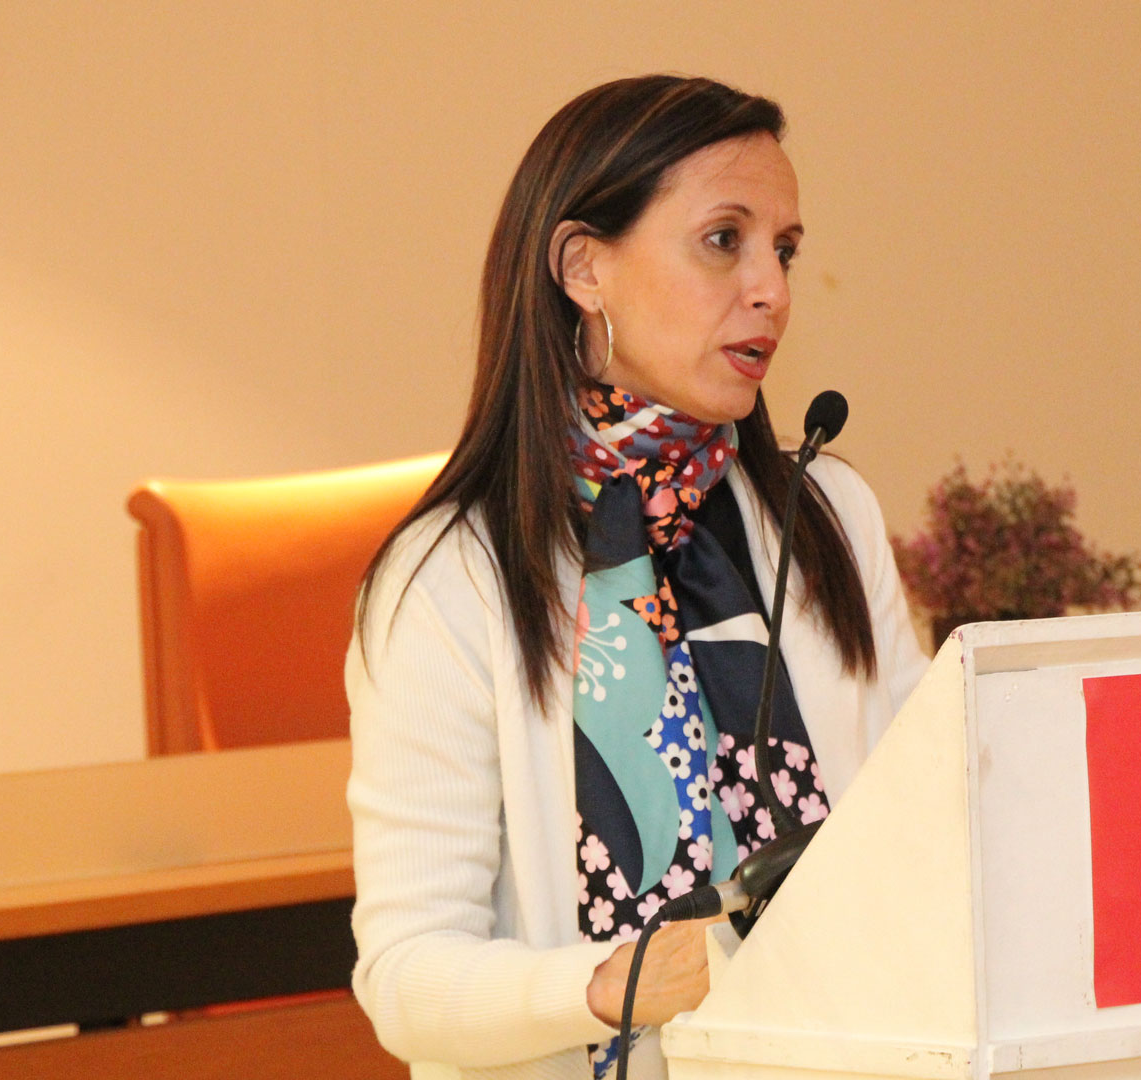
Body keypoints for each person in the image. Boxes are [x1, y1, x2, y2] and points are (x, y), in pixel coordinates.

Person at [345, 74, 931, 1080]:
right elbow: (404, 979)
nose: (772, 289)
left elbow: (929, 827)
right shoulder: (449, 578)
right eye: (724, 241)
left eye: (783, 250)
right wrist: (616, 983)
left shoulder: (827, 514)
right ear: (584, 268)